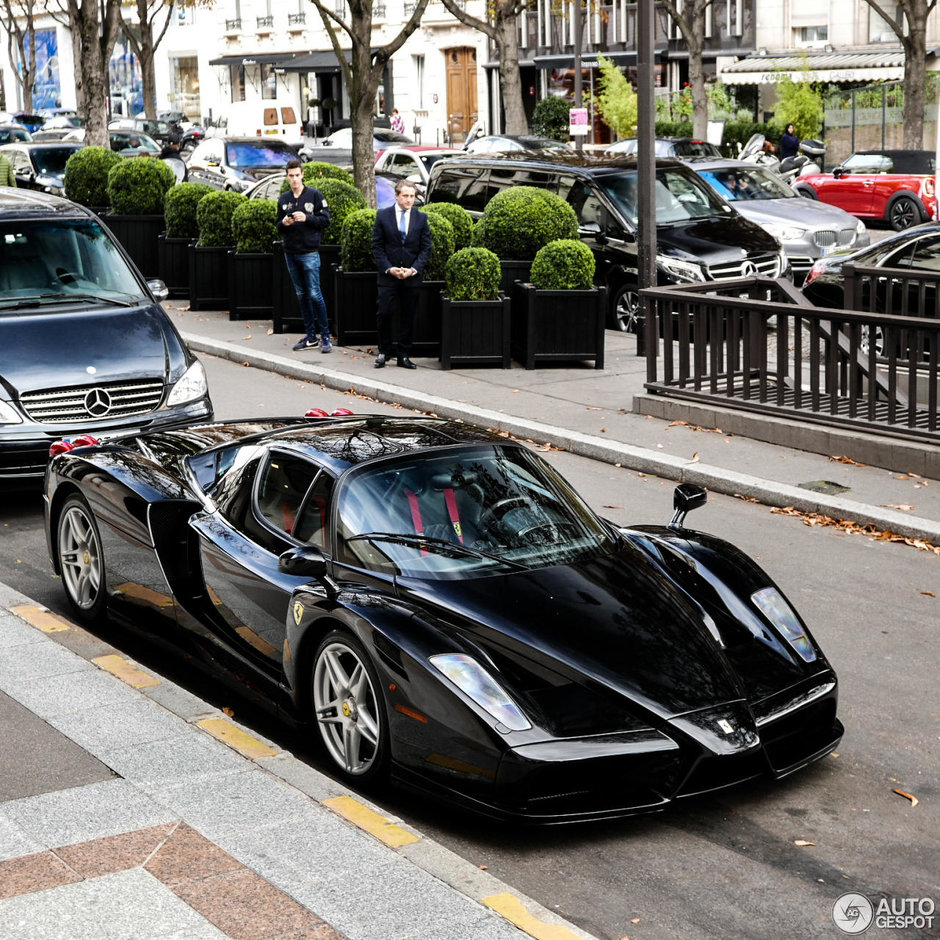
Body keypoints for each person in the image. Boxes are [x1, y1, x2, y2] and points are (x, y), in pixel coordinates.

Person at [371, 178, 432, 369]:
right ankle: (384, 351)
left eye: (412, 196)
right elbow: (377, 246)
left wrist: (413, 270)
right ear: (396, 196)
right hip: (389, 276)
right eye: (405, 196)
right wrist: (389, 268)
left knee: (408, 315)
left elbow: (426, 248)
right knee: (384, 313)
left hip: (411, 277)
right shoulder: (383, 216)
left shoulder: (421, 218)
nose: (409, 200)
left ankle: (403, 355)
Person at [277, 158, 332, 353]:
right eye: (290, 176)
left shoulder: (314, 195)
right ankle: (311, 336)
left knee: (315, 294)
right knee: (301, 295)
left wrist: (307, 218)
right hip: (290, 252)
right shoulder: (284, 199)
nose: (294, 179)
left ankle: (325, 336)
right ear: (287, 176)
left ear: (302, 175)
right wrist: (284, 223)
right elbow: (278, 226)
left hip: (309, 252)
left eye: (297, 175)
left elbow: (326, 220)